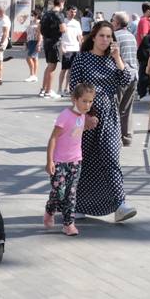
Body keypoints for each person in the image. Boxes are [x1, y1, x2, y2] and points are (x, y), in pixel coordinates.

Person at [68, 22, 137, 223]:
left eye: (109, 37)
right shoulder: (82, 59)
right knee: (84, 161)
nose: (105, 40)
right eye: (102, 36)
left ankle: (120, 204)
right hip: (86, 117)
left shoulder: (112, 60)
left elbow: (126, 80)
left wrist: (117, 58)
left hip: (109, 116)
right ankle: (77, 204)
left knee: (111, 158)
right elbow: (75, 88)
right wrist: (85, 114)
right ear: (93, 37)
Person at [45, 82, 97, 237]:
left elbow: (77, 130)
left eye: (90, 101)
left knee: (71, 194)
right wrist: (49, 161)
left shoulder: (82, 115)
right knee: (58, 192)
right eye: (84, 101)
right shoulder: (64, 116)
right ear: (75, 99)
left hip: (76, 161)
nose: (88, 105)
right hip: (59, 162)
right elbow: (53, 138)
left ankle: (69, 224)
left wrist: (90, 123)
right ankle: (50, 210)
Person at [110, 12, 138, 146]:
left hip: (121, 74)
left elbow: (113, 56)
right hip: (133, 73)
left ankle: (114, 137)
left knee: (114, 108)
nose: (111, 22)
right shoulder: (131, 36)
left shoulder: (116, 36)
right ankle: (126, 137)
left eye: (113, 20)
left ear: (117, 23)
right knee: (127, 107)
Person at [38, 0, 64, 98]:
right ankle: (48, 91)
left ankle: (43, 89)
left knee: (49, 66)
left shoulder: (46, 14)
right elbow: (63, 29)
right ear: (61, 3)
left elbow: (39, 28)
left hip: (46, 41)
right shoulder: (59, 15)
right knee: (52, 67)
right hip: (55, 42)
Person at [56, 7, 83, 98]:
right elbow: (59, 35)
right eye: (71, 12)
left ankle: (66, 88)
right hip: (66, 48)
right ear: (67, 12)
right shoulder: (63, 22)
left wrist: (81, 46)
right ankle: (59, 89)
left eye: (75, 12)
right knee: (63, 69)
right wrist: (62, 46)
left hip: (75, 48)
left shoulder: (77, 23)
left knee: (71, 70)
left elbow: (79, 35)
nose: (73, 14)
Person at [135, 4, 150, 99]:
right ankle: (142, 93)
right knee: (144, 72)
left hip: (147, 49)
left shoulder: (147, 21)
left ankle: (144, 91)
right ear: (148, 10)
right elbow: (144, 36)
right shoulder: (144, 21)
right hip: (145, 50)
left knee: (146, 71)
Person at [23, 9, 41, 83]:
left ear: (36, 15)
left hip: (35, 41)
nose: (31, 16)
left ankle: (32, 74)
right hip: (30, 41)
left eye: (32, 15)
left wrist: (39, 43)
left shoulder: (39, 23)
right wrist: (26, 42)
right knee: (34, 58)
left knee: (28, 57)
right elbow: (28, 33)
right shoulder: (31, 22)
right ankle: (34, 75)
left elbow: (40, 34)